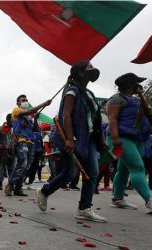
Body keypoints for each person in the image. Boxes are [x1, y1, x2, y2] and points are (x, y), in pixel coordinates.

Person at [36, 61, 107, 222]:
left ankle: (84, 207)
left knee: (92, 173)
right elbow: (66, 116)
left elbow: (95, 119)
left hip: (89, 139)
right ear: (81, 73)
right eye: (89, 68)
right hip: (74, 138)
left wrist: (101, 139)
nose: (92, 71)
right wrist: (69, 138)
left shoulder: (89, 93)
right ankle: (45, 191)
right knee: (70, 173)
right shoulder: (72, 92)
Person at [103, 73, 152, 213]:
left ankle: (117, 198)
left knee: (124, 169)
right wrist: (115, 139)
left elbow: (144, 121)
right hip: (122, 138)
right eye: (137, 83)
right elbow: (112, 119)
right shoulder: (116, 99)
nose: (139, 85)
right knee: (137, 168)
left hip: (137, 139)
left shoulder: (137, 100)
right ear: (129, 84)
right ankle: (150, 201)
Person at [6, 95, 52, 196]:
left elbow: (35, 129)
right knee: (22, 163)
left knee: (27, 167)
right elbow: (27, 111)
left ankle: (18, 188)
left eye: (26, 100)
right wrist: (44, 104)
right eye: (23, 100)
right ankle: (10, 184)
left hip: (31, 142)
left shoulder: (29, 117)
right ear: (18, 103)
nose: (25, 102)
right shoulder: (16, 110)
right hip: (21, 140)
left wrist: (35, 119)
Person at [0, 116, 14, 190]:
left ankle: (10, 184)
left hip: (12, 151)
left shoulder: (15, 128)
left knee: (11, 168)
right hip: (3, 150)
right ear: (8, 119)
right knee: (1, 167)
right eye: (12, 119)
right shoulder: (0, 128)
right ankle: (0, 183)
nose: (13, 120)